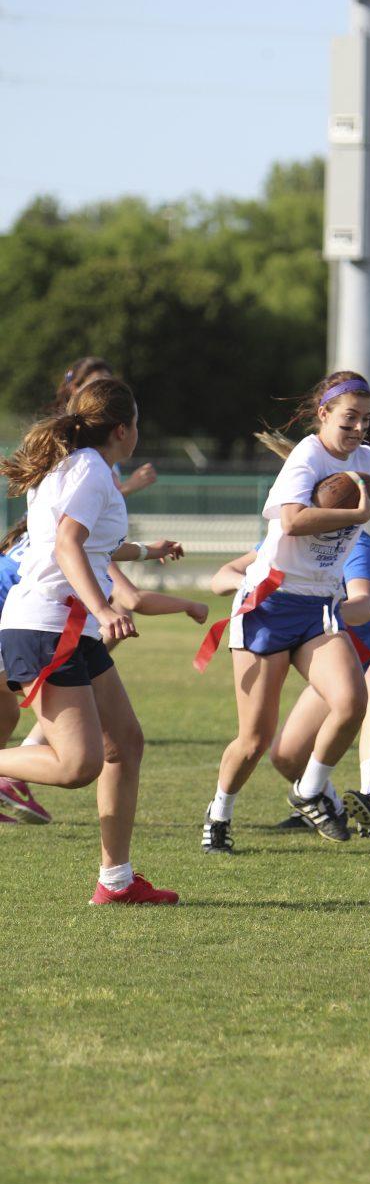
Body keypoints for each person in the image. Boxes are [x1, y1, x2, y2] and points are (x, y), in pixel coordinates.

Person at [199, 369, 370, 851]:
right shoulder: (305, 458)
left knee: (353, 699)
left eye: (364, 418)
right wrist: (358, 515)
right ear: (323, 415)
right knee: (255, 740)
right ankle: (219, 812)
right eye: (348, 418)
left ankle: (312, 788)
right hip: (268, 606)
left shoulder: (369, 460)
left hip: (317, 608)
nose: (358, 428)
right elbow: (294, 522)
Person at [0, 377, 182, 903]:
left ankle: (116, 882)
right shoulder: (91, 472)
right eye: (138, 425)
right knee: (78, 765)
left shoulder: (78, 467)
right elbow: (66, 544)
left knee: (125, 745)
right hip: (46, 626)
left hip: (67, 626)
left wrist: (147, 552)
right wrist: (104, 607)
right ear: (123, 430)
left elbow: (95, 544)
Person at [207, 531, 370, 846]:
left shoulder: (355, 544)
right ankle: (322, 801)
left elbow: (363, 607)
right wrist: (252, 587)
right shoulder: (288, 538)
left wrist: (302, 609)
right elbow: (222, 576)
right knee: (287, 756)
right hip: (349, 657)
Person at [0, 518, 52, 823]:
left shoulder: (35, 532)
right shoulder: (65, 534)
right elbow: (130, 599)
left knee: (7, 713)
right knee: (66, 698)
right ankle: (11, 777)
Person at [57, 358, 157, 498]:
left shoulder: (100, 455)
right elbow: (83, 509)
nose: (105, 390)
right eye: (97, 383)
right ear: (74, 389)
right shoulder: (86, 461)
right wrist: (128, 487)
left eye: (108, 383)